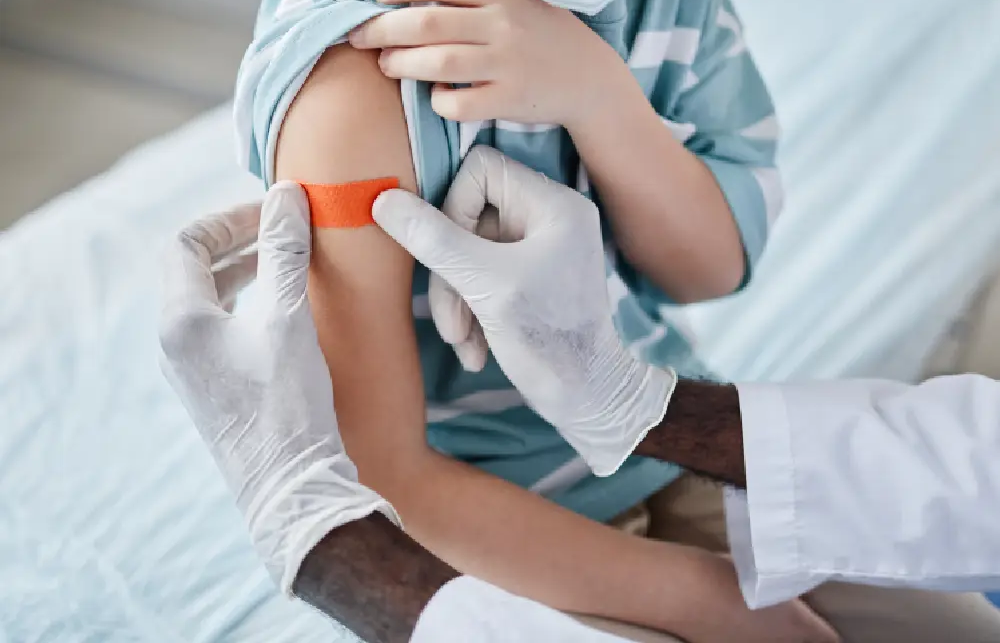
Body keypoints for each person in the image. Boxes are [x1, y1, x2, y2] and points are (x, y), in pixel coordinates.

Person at [160, 153, 1000, 642]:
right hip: (531, 521)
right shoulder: (340, 68)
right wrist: (630, 401)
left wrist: (307, 526)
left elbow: (709, 260)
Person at [232, 0, 789, 637]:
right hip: (467, 537)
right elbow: (378, 475)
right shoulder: (354, 69)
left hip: (658, 439)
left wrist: (601, 99)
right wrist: (704, 599)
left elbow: (712, 266)